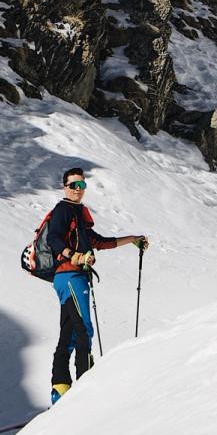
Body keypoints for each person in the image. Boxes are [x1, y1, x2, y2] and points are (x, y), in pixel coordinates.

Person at [47, 166, 149, 404]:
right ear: (65, 187)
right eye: (74, 185)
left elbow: (97, 242)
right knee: (84, 328)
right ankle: (84, 386)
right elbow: (53, 238)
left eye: (82, 185)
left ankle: (60, 388)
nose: (78, 190)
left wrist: (132, 240)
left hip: (71, 277)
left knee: (70, 332)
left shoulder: (79, 213)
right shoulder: (64, 209)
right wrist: (75, 256)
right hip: (71, 275)